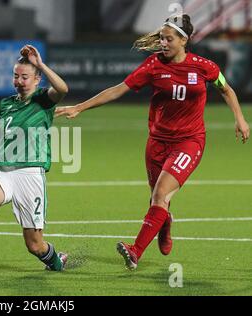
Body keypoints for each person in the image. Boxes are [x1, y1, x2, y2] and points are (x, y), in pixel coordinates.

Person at [55, 14, 250, 270]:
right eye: (161, 38)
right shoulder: (153, 65)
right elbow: (119, 89)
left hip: (189, 142)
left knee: (160, 194)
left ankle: (135, 251)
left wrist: (240, 119)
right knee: (158, 200)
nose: (163, 43)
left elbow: (226, 89)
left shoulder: (205, 66)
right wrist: (80, 107)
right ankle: (165, 224)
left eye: (168, 39)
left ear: (184, 40)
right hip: (157, 143)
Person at [0, 45, 69, 277]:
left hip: (30, 174)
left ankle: (56, 262)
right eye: (16, 76)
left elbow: (62, 88)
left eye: (25, 77)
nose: (19, 81)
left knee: (35, 245)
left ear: (37, 79)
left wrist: (41, 64)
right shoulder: (6, 103)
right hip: (2, 170)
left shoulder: (43, 100)